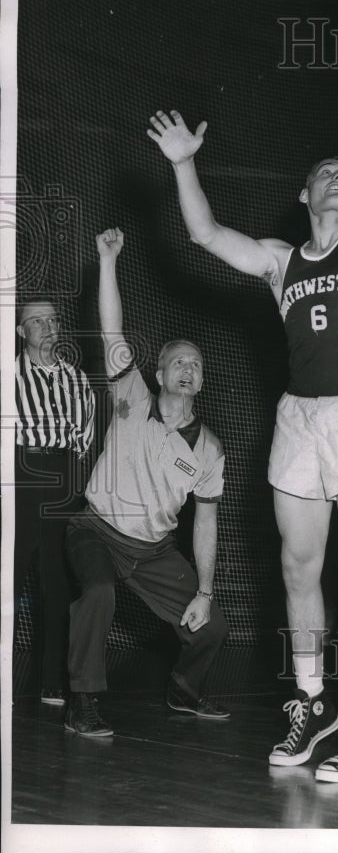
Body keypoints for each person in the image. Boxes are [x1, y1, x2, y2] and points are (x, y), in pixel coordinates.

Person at [147, 0, 338, 782]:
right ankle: (310, 705)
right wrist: (185, 164)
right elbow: (201, 234)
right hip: (299, 421)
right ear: (304, 196)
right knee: (299, 570)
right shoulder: (280, 261)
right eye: (324, 174)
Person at [63, 228, 229, 737]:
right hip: (96, 529)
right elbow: (113, 333)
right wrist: (108, 261)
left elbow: (205, 522)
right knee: (97, 594)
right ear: (158, 374)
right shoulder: (131, 394)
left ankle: (183, 690)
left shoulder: (209, 449)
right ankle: (82, 703)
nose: (188, 369)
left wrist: (203, 590)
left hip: (153, 551)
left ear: (201, 382)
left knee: (214, 626)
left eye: (196, 365)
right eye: (179, 361)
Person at [15, 297, 95, 705]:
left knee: (56, 582)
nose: (47, 327)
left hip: (63, 477)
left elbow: (83, 445)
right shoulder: (6, 375)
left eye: (52, 320)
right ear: (20, 332)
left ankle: (50, 681)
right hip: (19, 475)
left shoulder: (78, 381)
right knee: (6, 579)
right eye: (37, 321)